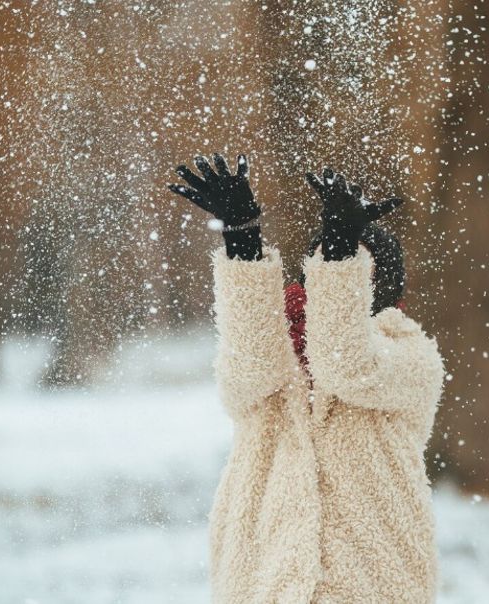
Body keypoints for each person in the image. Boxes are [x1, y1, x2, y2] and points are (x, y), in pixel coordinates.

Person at [168, 153, 445, 603]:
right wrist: (243, 239)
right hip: (263, 574)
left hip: (373, 580)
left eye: (355, 267)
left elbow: (346, 365)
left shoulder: (412, 357)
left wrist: (339, 249)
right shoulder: (271, 350)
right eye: (332, 261)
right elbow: (249, 372)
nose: (345, 276)